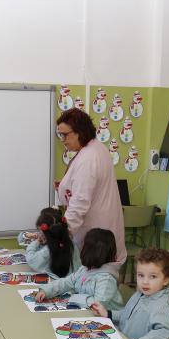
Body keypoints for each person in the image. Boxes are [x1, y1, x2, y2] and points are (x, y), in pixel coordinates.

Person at [56, 108, 126, 269]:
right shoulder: (96, 148)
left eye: (65, 134)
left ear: (79, 131)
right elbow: (85, 187)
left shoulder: (88, 158)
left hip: (97, 239)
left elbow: (79, 203)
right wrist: (65, 187)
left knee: (97, 285)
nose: (62, 140)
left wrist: (61, 237)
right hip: (99, 234)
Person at [91, 248, 169, 339]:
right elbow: (126, 314)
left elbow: (164, 332)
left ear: (166, 279)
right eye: (141, 275)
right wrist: (108, 313)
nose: (145, 281)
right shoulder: (140, 293)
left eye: (153, 277)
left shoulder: (162, 305)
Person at [35, 228, 123, 310]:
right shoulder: (84, 269)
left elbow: (98, 305)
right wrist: (46, 291)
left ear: (90, 251)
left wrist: (74, 298)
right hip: (85, 313)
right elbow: (66, 282)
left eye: (84, 246)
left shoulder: (106, 279)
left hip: (107, 322)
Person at [25, 207, 81, 278]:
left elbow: (31, 260)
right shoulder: (72, 245)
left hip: (55, 284)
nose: (40, 234)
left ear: (47, 234)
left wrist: (37, 242)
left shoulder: (49, 249)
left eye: (40, 232)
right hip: (72, 283)